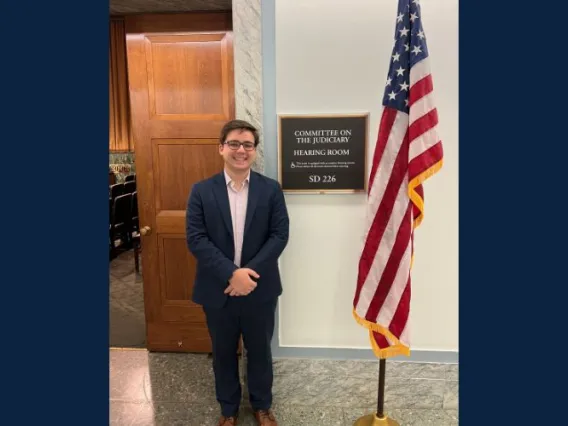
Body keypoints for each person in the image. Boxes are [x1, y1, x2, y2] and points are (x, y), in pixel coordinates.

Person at [186, 119, 290, 426]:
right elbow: (196, 238)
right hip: (218, 289)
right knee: (223, 352)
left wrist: (248, 275)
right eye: (234, 144)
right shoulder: (201, 191)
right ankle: (228, 409)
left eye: (247, 145)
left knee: (259, 351)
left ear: (254, 151)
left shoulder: (271, 190)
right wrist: (232, 274)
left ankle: (262, 406)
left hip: (260, 289)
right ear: (221, 148)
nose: (240, 150)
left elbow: (279, 235)